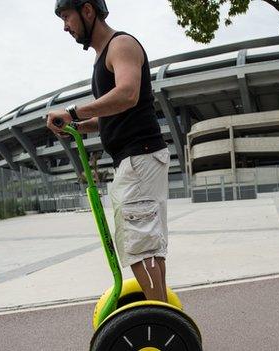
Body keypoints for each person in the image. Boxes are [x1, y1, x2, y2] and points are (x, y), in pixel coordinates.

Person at [47, 0, 170, 302]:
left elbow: (127, 94)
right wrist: (77, 125)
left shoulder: (121, 45)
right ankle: (162, 316)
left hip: (139, 157)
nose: (65, 26)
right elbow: (110, 116)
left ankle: (161, 321)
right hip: (134, 159)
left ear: (87, 11)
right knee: (145, 243)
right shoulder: (103, 58)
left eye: (67, 17)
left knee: (141, 245)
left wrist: (73, 111)